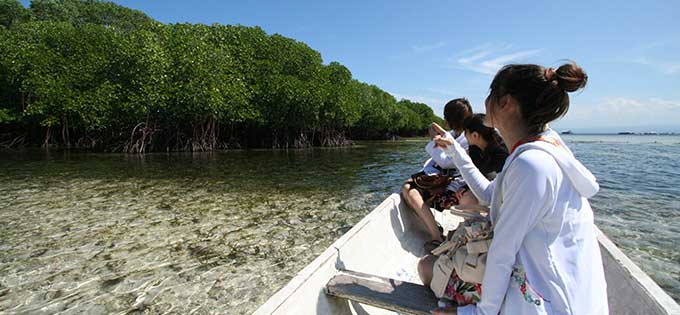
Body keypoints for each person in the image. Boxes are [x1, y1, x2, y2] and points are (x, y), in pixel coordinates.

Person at [429, 62, 608, 314]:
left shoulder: (531, 165)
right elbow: (491, 195)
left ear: (506, 103)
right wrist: (455, 150)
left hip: (551, 304)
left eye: (491, 94)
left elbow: (503, 252)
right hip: (552, 287)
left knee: (428, 269)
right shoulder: (547, 145)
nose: (486, 101)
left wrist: (476, 313)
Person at [401, 98, 473, 247]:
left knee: (411, 191)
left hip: (457, 189)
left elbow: (445, 162)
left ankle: (436, 236)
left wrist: (434, 138)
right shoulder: (458, 134)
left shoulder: (468, 139)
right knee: (408, 188)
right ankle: (435, 230)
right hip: (450, 182)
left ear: (448, 120)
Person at [463, 114, 508, 178]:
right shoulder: (477, 149)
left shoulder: (501, 154)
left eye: (465, 132)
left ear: (475, 135)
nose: (464, 136)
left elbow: (484, 172)